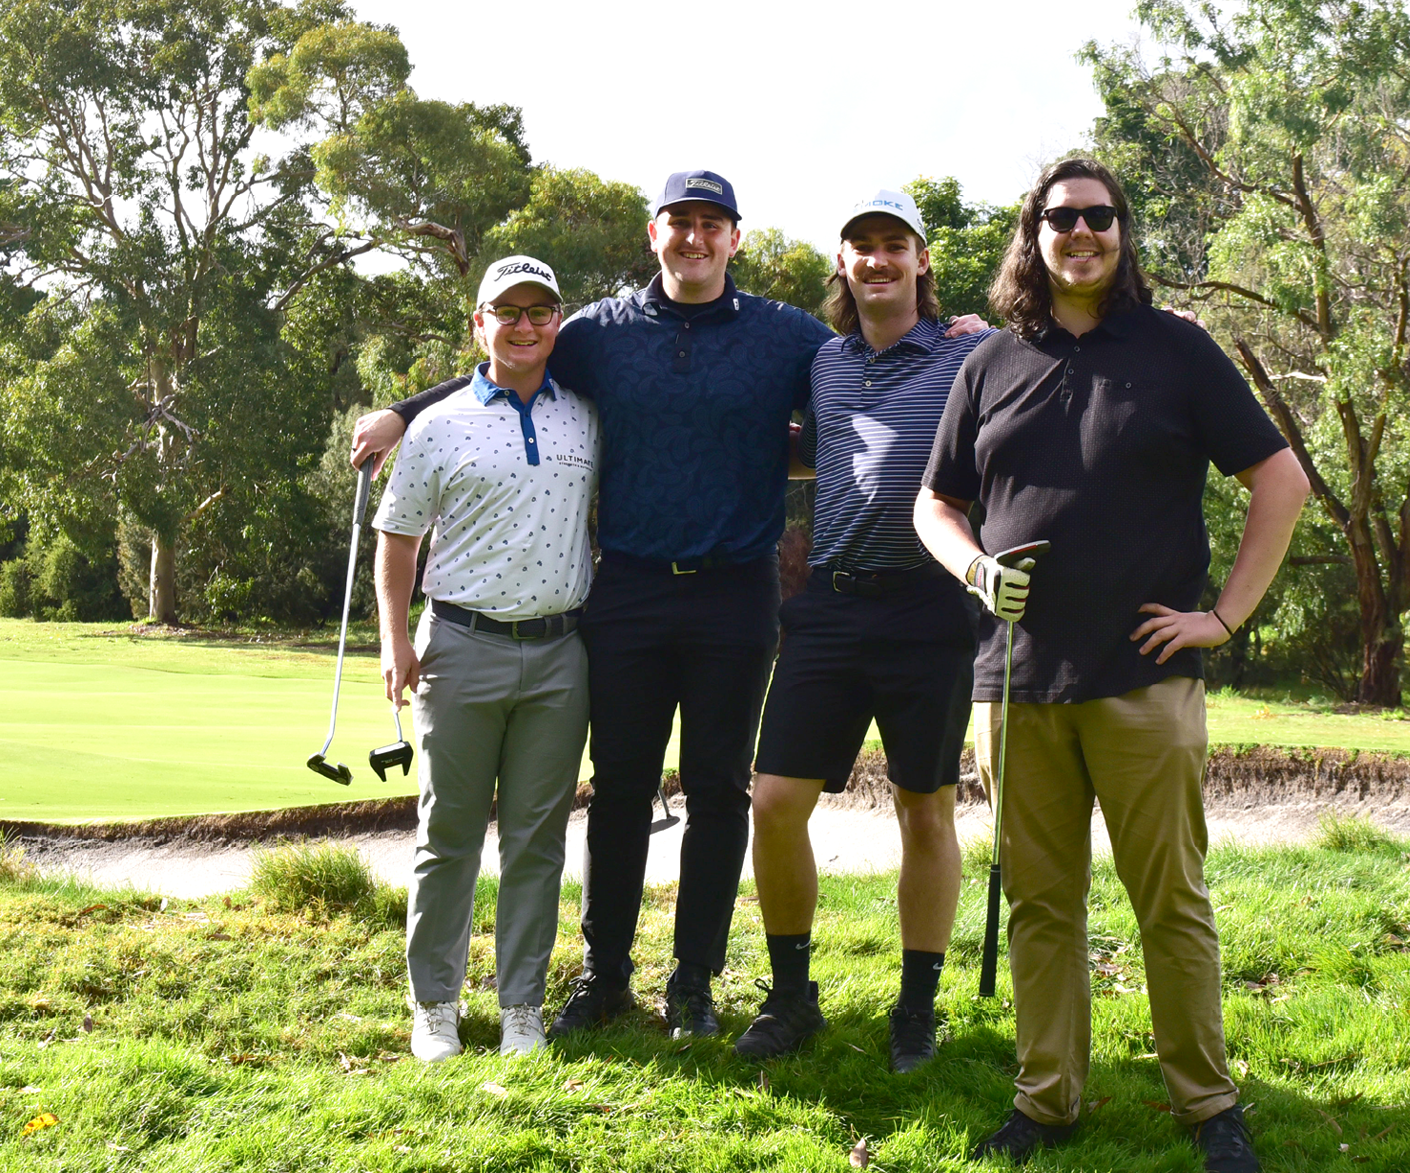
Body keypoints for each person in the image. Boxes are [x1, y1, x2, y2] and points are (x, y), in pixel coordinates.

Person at [353, 173, 987, 1039]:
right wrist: (400, 412)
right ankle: (606, 974)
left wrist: (973, 333)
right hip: (628, 589)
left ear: (734, 238)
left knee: (723, 793)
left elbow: (862, 392)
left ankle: (694, 981)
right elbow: (510, 362)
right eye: (679, 223)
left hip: (737, 592)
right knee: (618, 790)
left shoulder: (790, 338)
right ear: (655, 235)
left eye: (710, 224)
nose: (694, 238)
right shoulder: (601, 334)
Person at [914, 158, 1310, 1170]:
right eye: (1062, 218)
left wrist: (1222, 619)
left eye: (1100, 217)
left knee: (1168, 898)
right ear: (1033, 236)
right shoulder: (989, 364)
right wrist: (971, 569)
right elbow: (937, 502)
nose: (1082, 233)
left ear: (1122, 234)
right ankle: (1046, 1101)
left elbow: (1281, 479)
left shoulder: (1177, 351)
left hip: (1144, 680)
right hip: (1016, 683)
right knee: (1041, 904)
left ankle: (1207, 1105)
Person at [733, 191, 988, 1071]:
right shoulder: (823, 361)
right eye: (861, 247)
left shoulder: (973, 351)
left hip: (929, 604)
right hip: (831, 606)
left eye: (894, 245)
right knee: (773, 801)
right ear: (842, 265)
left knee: (924, 808)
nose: (877, 260)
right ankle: (793, 996)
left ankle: (917, 1007)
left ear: (921, 260)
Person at [371, 255, 600, 1062]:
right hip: (460, 647)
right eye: (508, 311)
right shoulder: (437, 427)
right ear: (480, 324)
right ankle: (434, 1003)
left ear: (557, 323)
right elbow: (397, 540)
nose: (526, 325)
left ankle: (521, 1007)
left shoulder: (585, 417)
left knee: (537, 842)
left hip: (560, 652)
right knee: (450, 835)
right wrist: (396, 640)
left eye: (541, 311)